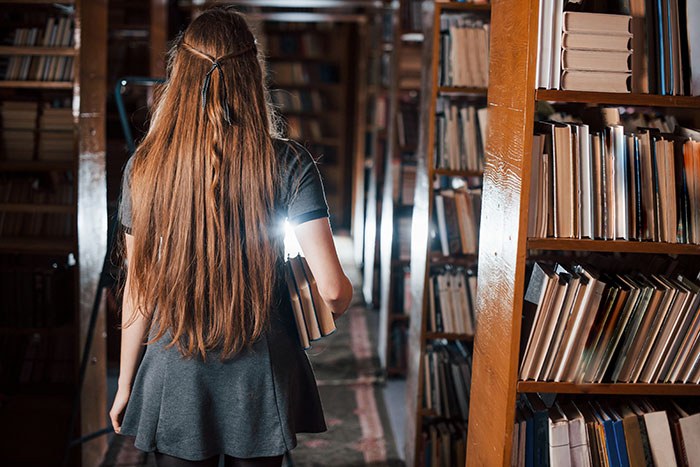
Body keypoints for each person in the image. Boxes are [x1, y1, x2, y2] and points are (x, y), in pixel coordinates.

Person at [109, 8, 354, 467]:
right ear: (252, 72)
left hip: (172, 368)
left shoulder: (144, 167)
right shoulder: (289, 162)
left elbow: (138, 291)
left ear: (180, 71)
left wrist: (126, 383)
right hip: (260, 373)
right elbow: (335, 291)